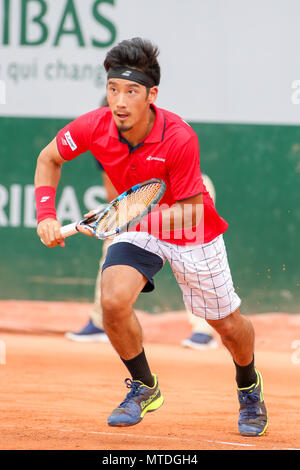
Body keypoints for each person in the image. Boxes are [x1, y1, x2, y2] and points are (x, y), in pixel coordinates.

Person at [34, 37, 268, 436]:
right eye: (113, 89)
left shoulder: (178, 136)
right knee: (111, 300)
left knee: (228, 326)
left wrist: (127, 221)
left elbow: (194, 209)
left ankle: (248, 385)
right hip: (139, 222)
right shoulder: (94, 126)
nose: (120, 101)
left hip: (191, 227)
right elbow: (49, 158)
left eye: (131, 91)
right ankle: (144, 386)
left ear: (151, 95)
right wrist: (45, 215)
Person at [65, 103, 217, 350]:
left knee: (190, 254)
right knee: (113, 243)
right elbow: (117, 194)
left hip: (187, 196)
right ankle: (101, 321)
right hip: (140, 200)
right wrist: (119, 221)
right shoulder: (101, 141)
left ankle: (203, 329)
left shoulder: (162, 133)